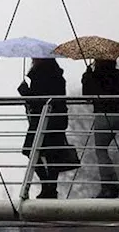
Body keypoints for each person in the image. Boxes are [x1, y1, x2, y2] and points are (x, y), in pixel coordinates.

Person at [18, 58, 78, 199]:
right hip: (57, 118)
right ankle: (50, 187)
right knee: (52, 155)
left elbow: (39, 99)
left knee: (30, 150)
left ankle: (47, 185)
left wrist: (25, 92)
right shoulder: (56, 75)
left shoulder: (41, 75)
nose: (32, 60)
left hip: (44, 119)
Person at [82, 58, 119, 198]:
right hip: (118, 116)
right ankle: (113, 183)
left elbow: (88, 97)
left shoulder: (96, 75)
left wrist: (87, 77)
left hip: (104, 116)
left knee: (101, 151)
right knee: (104, 149)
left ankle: (109, 185)